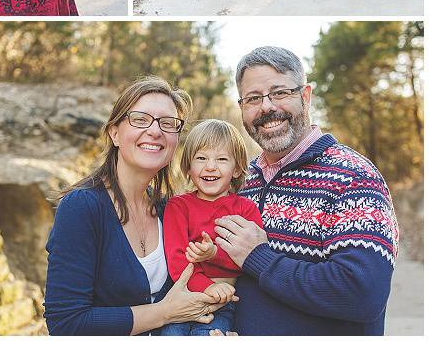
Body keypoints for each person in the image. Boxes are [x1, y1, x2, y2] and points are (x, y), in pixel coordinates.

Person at [216, 45, 398, 334]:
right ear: (242, 109)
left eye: (279, 93)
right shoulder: (242, 181)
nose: (266, 107)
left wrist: (259, 258)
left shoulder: (352, 176)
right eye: (253, 98)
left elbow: (363, 294)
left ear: (305, 96)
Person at [44, 77, 224, 334]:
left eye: (167, 123)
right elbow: (66, 323)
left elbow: (202, 287)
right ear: (114, 133)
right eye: (140, 119)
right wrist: (164, 313)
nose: (155, 131)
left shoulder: (169, 209)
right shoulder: (82, 207)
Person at [159, 120, 263, 336]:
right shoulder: (178, 206)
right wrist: (206, 286)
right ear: (188, 167)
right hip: (181, 298)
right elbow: (177, 259)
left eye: (222, 159)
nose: (210, 166)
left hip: (222, 305)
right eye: (201, 158)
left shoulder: (245, 209)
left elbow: (252, 260)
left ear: (237, 169)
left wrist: (214, 254)